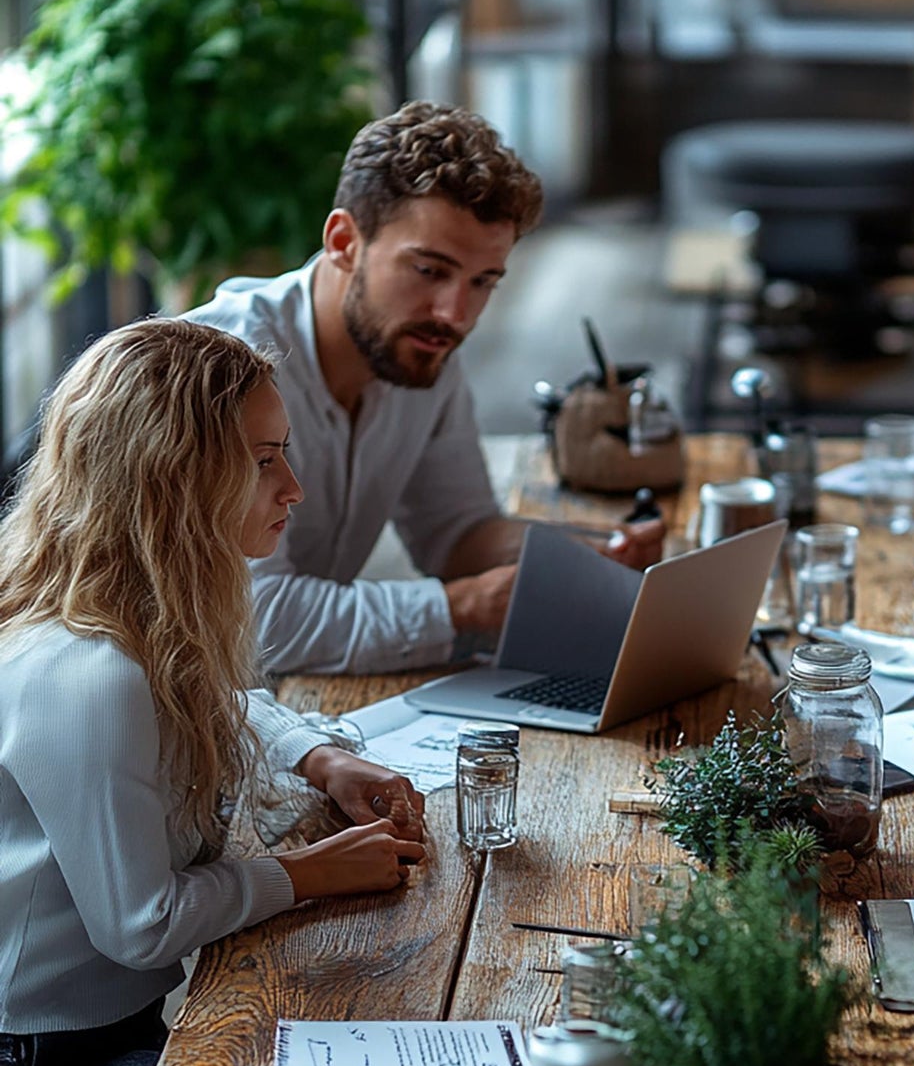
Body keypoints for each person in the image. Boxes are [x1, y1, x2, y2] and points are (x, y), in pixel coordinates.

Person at [0, 318, 428, 1066]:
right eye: (264, 459)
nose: (294, 487)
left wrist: (318, 755)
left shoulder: (122, 607)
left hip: (98, 1041)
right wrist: (310, 874)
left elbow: (217, 697)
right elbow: (142, 924)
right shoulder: (86, 674)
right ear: (173, 475)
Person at [187, 100, 664, 676]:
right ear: (344, 241)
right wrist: (463, 607)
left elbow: (456, 534)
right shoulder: (219, 374)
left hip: (296, 703)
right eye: (429, 271)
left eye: (483, 281)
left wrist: (587, 552)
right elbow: (252, 623)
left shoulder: (416, 348)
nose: (454, 314)